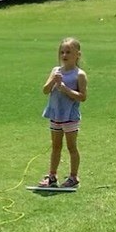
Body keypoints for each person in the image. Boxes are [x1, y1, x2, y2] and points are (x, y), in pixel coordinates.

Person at [38, 37, 88, 189]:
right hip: (55, 115)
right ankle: (52, 176)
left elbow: (83, 97)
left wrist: (65, 89)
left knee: (71, 147)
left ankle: (73, 177)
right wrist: (53, 81)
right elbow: (45, 90)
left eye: (68, 52)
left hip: (70, 117)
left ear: (77, 54)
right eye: (62, 52)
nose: (64, 55)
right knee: (55, 146)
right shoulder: (55, 71)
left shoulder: (79, 74)